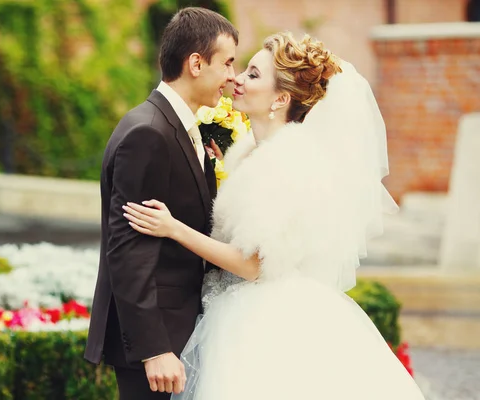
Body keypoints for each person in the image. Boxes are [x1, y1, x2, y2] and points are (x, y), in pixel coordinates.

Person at [122, 32, 427, 399]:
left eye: (252, 74)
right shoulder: (253, 151)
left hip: (260, 321)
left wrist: (174, 229)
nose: (236, 79)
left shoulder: (285, 163)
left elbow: (252, 264)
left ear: (280, 98)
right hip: (232, 309)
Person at [84, 7, 238, 400]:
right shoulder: (148, 133)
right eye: (228, 63)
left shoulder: (179, 127)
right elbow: (127, 250)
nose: (232, 77)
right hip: (158, 348)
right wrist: (153, 349)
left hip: (181, 330)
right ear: (196, 63)